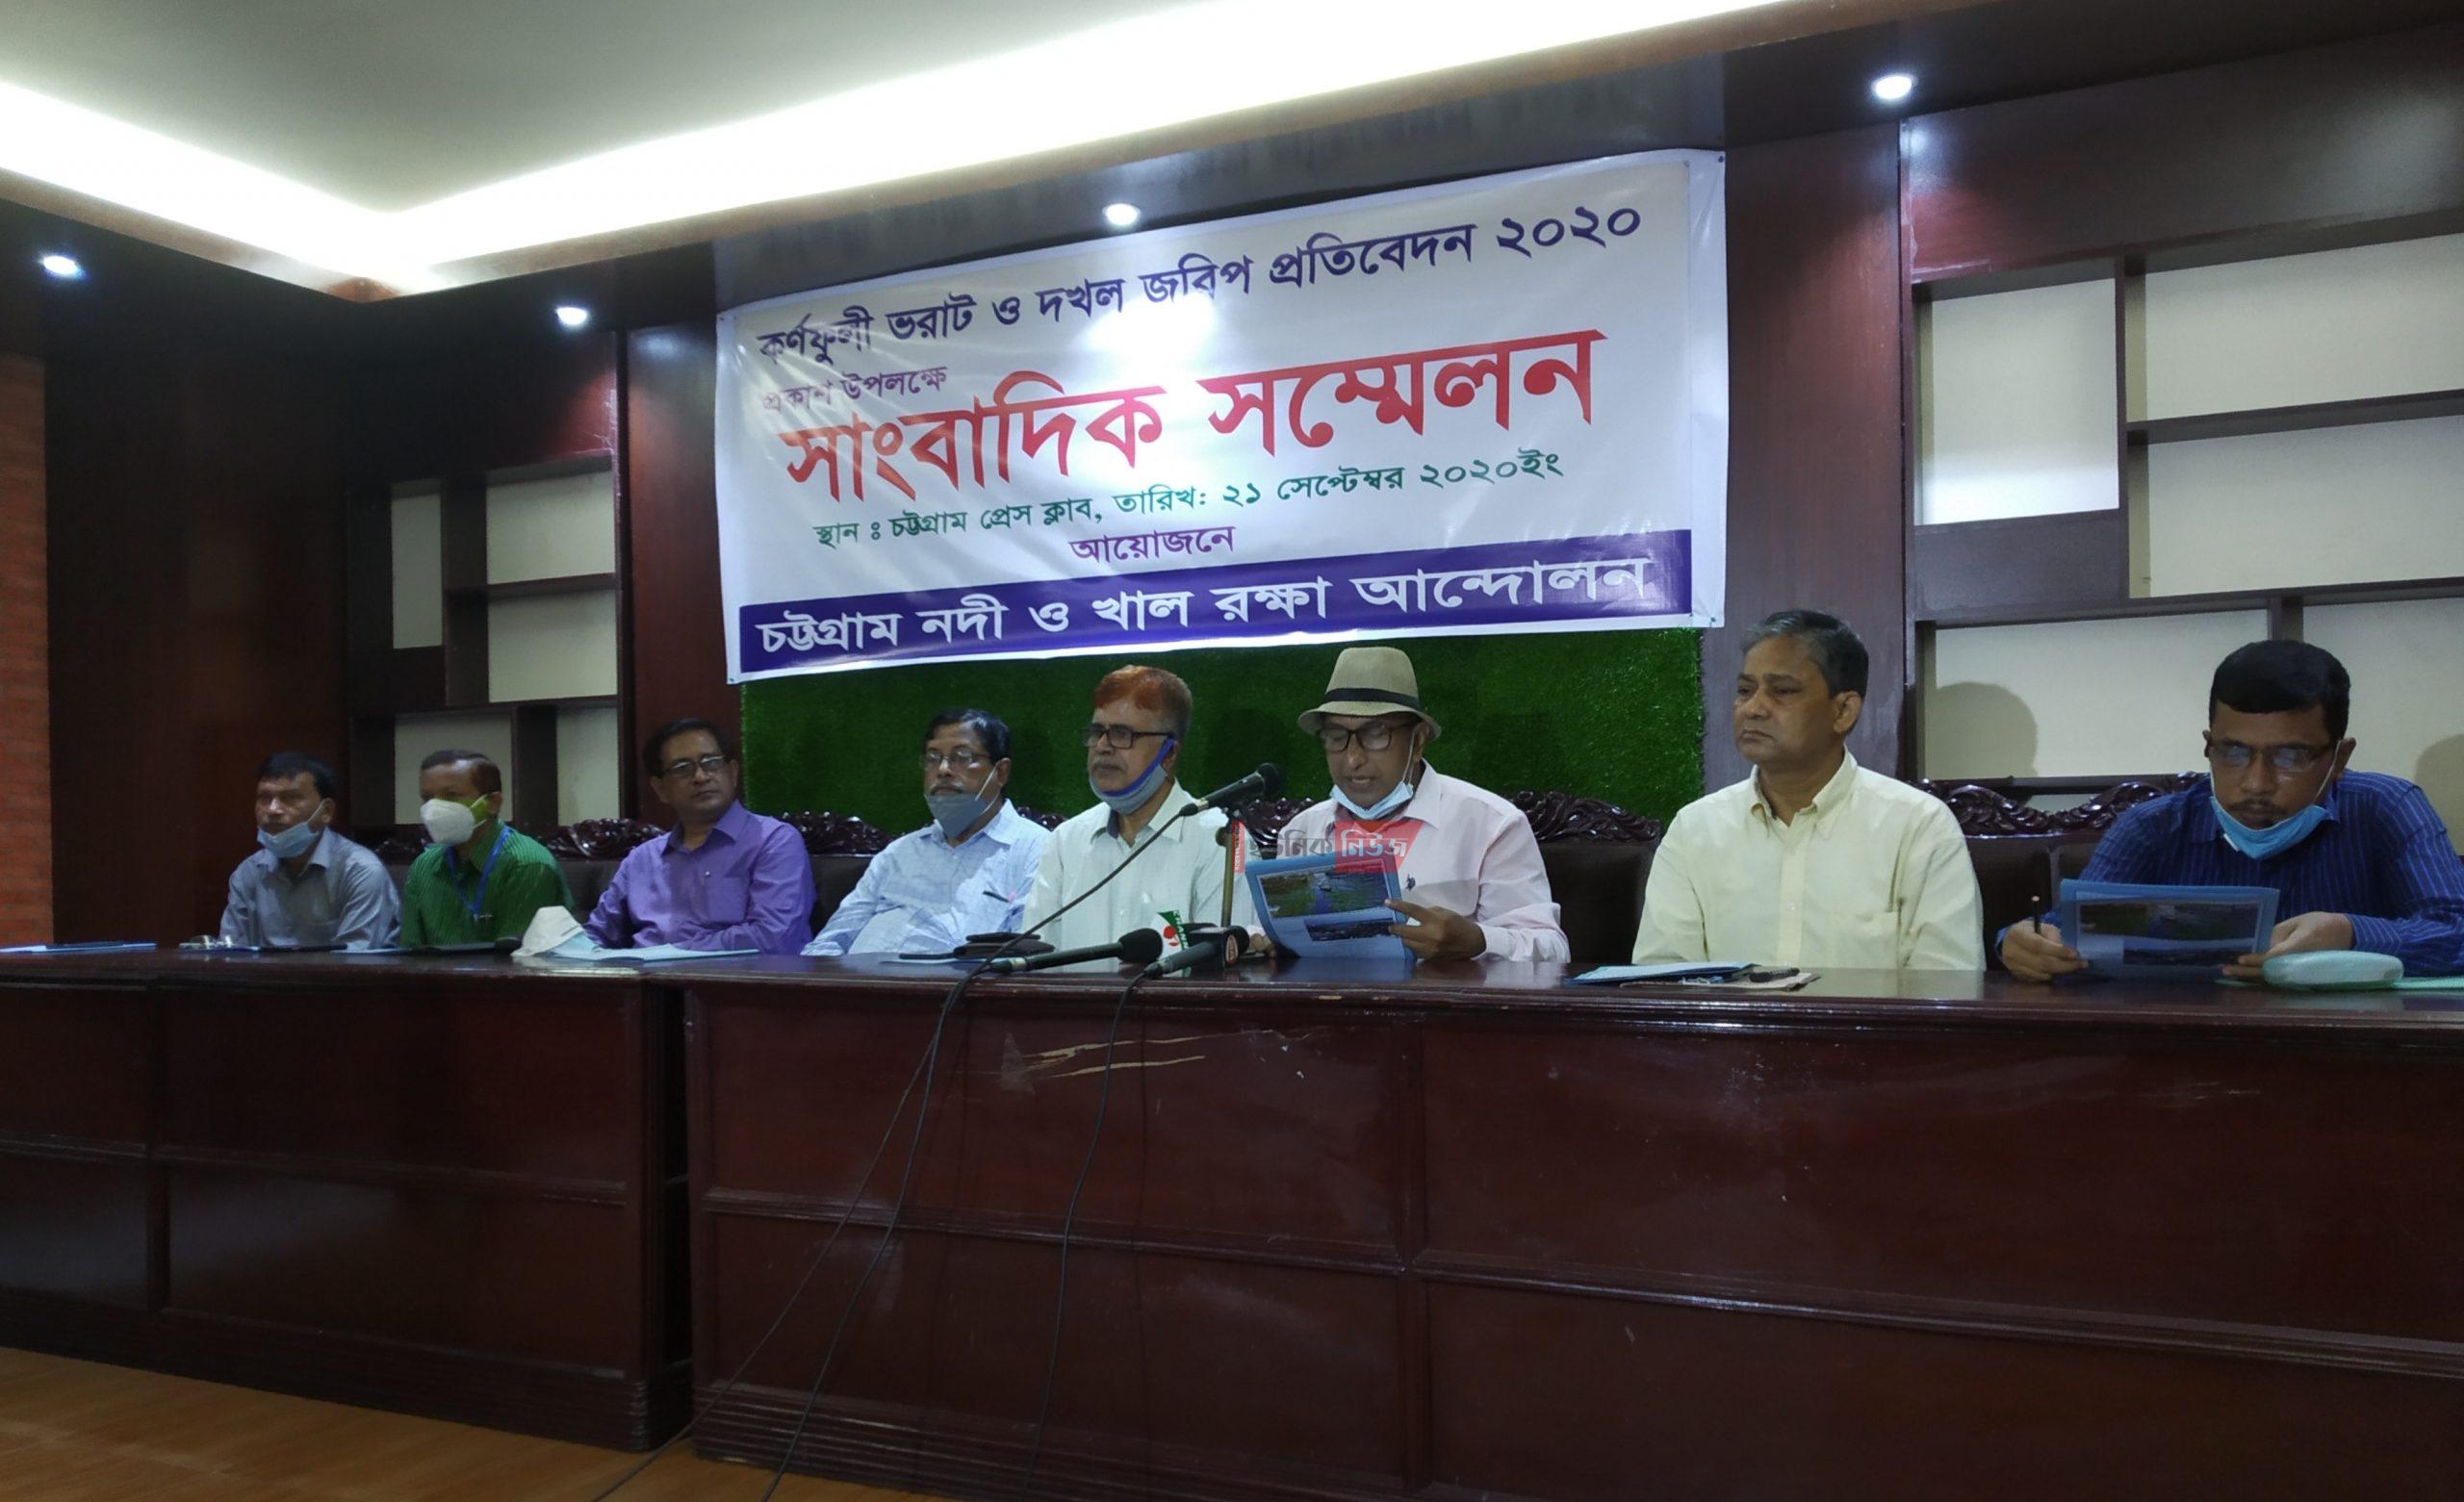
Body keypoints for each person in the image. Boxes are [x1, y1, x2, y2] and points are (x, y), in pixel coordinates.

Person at [2003, 640, 2464, 980]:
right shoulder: (2154, 826)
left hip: (2350, 1054)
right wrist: (2019, 943)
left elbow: (2455, 932)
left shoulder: (2387, 807)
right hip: (2188, 1052)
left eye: (2291, 756)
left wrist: (2349, 933)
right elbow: (2062, 933)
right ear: (2208, 745)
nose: (2256, 783)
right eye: (2234, 752)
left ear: (2339, 758)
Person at [1634, 610, 1983, 971]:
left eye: (1782, 691)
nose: (1753, 708)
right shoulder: (1695, 829)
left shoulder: (1919, 826)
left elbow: (1947, 985)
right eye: (1745, 690)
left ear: (1844, 710)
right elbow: (1662, 979)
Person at [1274, 646, 1568, 962]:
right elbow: (1272, 934)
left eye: (1375, 735)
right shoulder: (1301, 831)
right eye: (1335, 737)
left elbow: (1552, 948)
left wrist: (1479, 940)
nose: (1352, 759)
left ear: (1418, 741)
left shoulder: (1491, 823)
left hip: (1444, 995)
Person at [1022, 665, 1256, 955]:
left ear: (1169, 754)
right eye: (1097, 732)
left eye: (1122, 734)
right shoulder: (1065, 840)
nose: (1102, 747)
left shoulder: (1222, 840)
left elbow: (1221, 962)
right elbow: (1034, 957)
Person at [805, 709, 1051, 956]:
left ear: (1001, 772)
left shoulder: (1037, 850)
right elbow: (829, 942)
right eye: (933, 758)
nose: (942, 770)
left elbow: (1026, 957)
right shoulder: (899, 852)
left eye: (961, 757)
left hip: (952, 980)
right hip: (855, 976)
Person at [584, 719, 816, 954]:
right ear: (660, 789)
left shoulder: (774, 841)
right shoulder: (642, 860)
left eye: (711, 763)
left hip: (736, 976)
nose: (700, 777)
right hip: (641, 975)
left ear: (733, 772)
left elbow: (771, 938)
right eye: (682, 768)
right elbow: (596, 937)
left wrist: (665, 955)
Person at [218, 751, 398, 949]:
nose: (272, 809)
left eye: (290, 798)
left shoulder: (360, 870)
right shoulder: (248, 872)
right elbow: (231, 955)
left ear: (326, 811)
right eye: (264, 798)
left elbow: (354, 960)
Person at [398, 750, 574, 947]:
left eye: (451, 796)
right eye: (427, 798)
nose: (434, 809)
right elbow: (410, 953)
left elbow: (518, 958)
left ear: (493, 803)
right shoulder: (423, 867)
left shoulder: (527, 864)